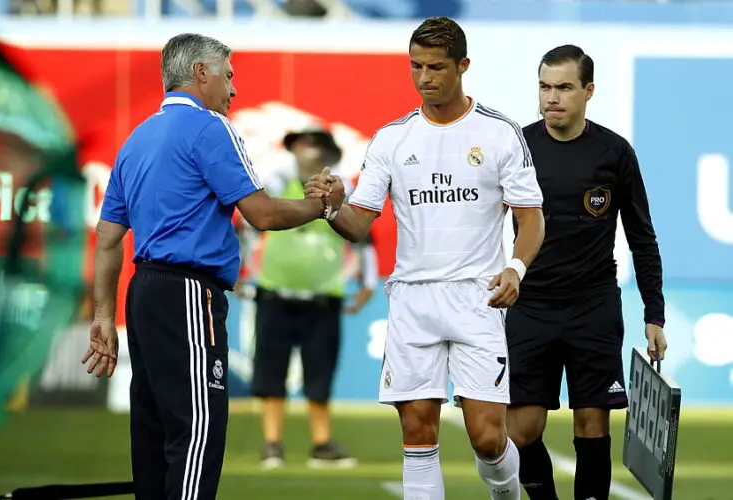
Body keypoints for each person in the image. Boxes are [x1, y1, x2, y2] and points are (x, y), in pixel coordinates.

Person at [81, 33, 332, 500]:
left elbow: (108, 237)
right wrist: (322, 207)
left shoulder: (137, 138)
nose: (233, 90)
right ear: (202, 72)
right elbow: (264, 214)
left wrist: (101, 315)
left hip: (144, 293)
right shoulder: (210, 127)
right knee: (196, 432)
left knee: (153, 437)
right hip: (188, 293)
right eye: (229, 76)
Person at [305, 17, 545, 500]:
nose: (424, 77)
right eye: (415, 66)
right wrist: (331, 205)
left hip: (479, 299)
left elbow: (531, 219)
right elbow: (357, 224)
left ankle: (506, 493)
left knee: (487, 437)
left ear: (463, 66)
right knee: (417, 433)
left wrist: (515, 269)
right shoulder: (392, 139)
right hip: (414, 300)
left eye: (435, 67)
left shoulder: (499, 133)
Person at [505, 44, 668, 500]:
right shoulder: (517, 147)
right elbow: (480, 221)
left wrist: (653, 313)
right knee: (519, 431)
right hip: (530, 305)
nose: (551, 98)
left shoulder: (614, 152)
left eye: (563, 87)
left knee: (592, 423)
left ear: (588, 91)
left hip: (593, 306)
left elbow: (642, 236)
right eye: (544, 87)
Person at [242, 127, 377, 469]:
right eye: (301, 145)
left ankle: (321, 444)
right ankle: (272, 444)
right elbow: (247, 227)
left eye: (314, 145)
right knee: (271, 374)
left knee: (321, 374)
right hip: (275, 294)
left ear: (328, 153)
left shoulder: (340, 190)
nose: (307, 152)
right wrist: (239, 272)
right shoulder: (275, 184)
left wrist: (367, 283)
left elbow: (363, 238)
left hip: (323, 298)